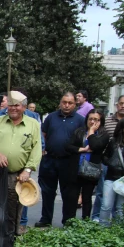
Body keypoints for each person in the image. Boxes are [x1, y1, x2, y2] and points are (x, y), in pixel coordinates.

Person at [0, 91, 42, 237]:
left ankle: (10, 241)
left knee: (14, 209)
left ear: (24, 107)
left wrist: (27, 170)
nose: (13, 108)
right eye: (10, 105)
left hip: (17, 174)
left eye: (17, 105)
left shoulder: (33, 124)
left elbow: (36, 149)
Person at [37, 92, 85, 227]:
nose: (67, 105)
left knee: (69, 193)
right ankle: (46, 219)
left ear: (75, 104)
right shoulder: (51, 117)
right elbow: (44, 134)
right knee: (47, 191)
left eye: (70, 103)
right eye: (64, 102)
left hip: (69, 161)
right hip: (50, 159)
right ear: (60, 103)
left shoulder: (80, 120)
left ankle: (68, 221)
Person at [93, 95, 124, 221]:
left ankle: (118, 227)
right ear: (117, 105)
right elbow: (105, 148)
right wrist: (110, 163)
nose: (123, 106)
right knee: (104, 198)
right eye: (121, 103)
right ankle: (97, 219)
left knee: (121, 205)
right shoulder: (109, 121)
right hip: (110, 169)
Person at [65, 110, 109, 220]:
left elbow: (94, 146)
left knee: (86, 197)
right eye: (90, 119)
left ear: (101, 121)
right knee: (72, 197)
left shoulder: (104, 135)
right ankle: (70, 221)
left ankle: (85, 221)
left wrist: (91, 132)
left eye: (96, 119)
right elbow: (68, 146)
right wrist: (81, 149)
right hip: (76, 168)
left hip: (91, 169)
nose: (93, 121)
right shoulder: (79, 131)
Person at [99, 118, 124, 226]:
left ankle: (119, 229)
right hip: (111, 176)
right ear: (121, 128)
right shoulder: (114, 141)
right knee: (106, 205)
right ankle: (102, 228)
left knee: (121, 207)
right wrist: (111, 163)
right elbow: (104, 156)